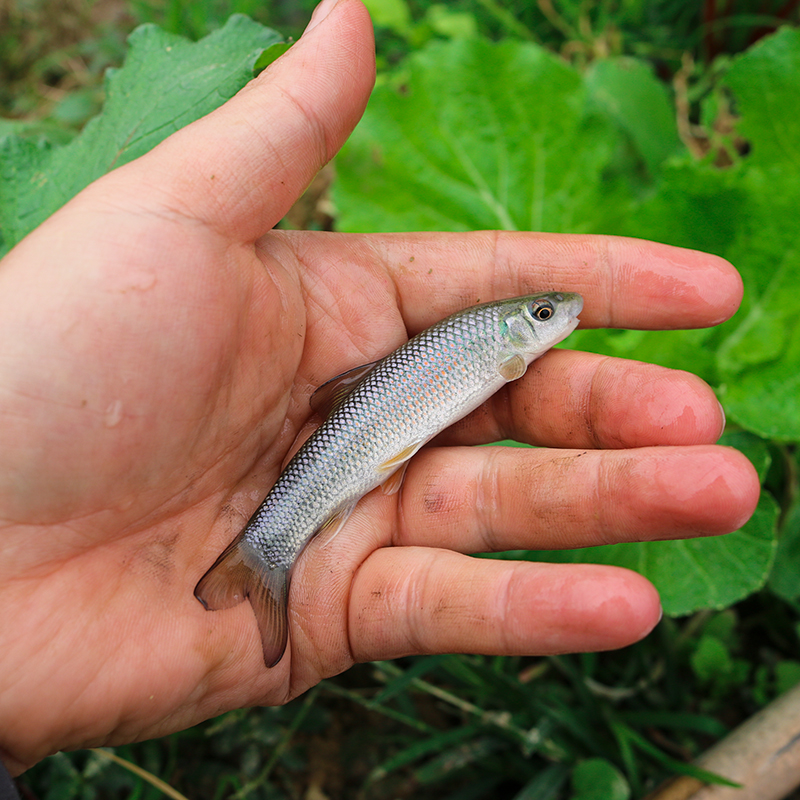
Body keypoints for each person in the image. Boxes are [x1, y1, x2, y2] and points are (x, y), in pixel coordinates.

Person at [0, 0, 759, 781]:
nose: (559, 318)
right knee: (322, 505)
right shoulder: (487, 350)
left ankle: (269, 553)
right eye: (541, 315)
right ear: (511, 333)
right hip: (345, 451)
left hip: (358, 437)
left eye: (547, 315)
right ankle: (267, 554)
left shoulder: (496, 355)